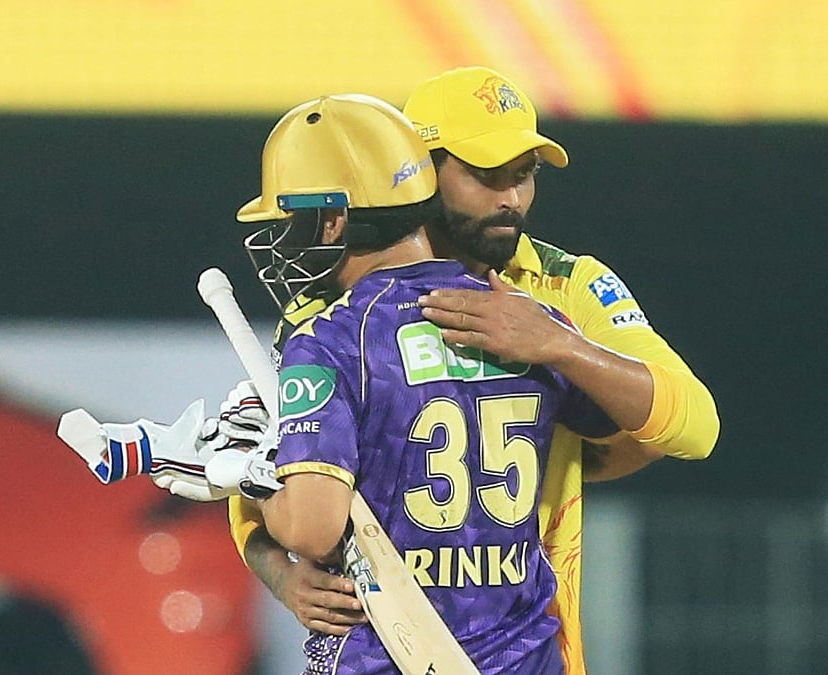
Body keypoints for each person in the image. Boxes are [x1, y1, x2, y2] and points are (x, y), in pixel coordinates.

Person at [209, 66, 720, 673]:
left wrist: (560, 348)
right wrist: (279, 571)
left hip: (529, 642)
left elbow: (694, 427)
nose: (511, 199)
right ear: (421, 170)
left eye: (523, 176)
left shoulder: (563, 287)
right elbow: (283, 464)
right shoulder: (324, 302)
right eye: (485, 176)